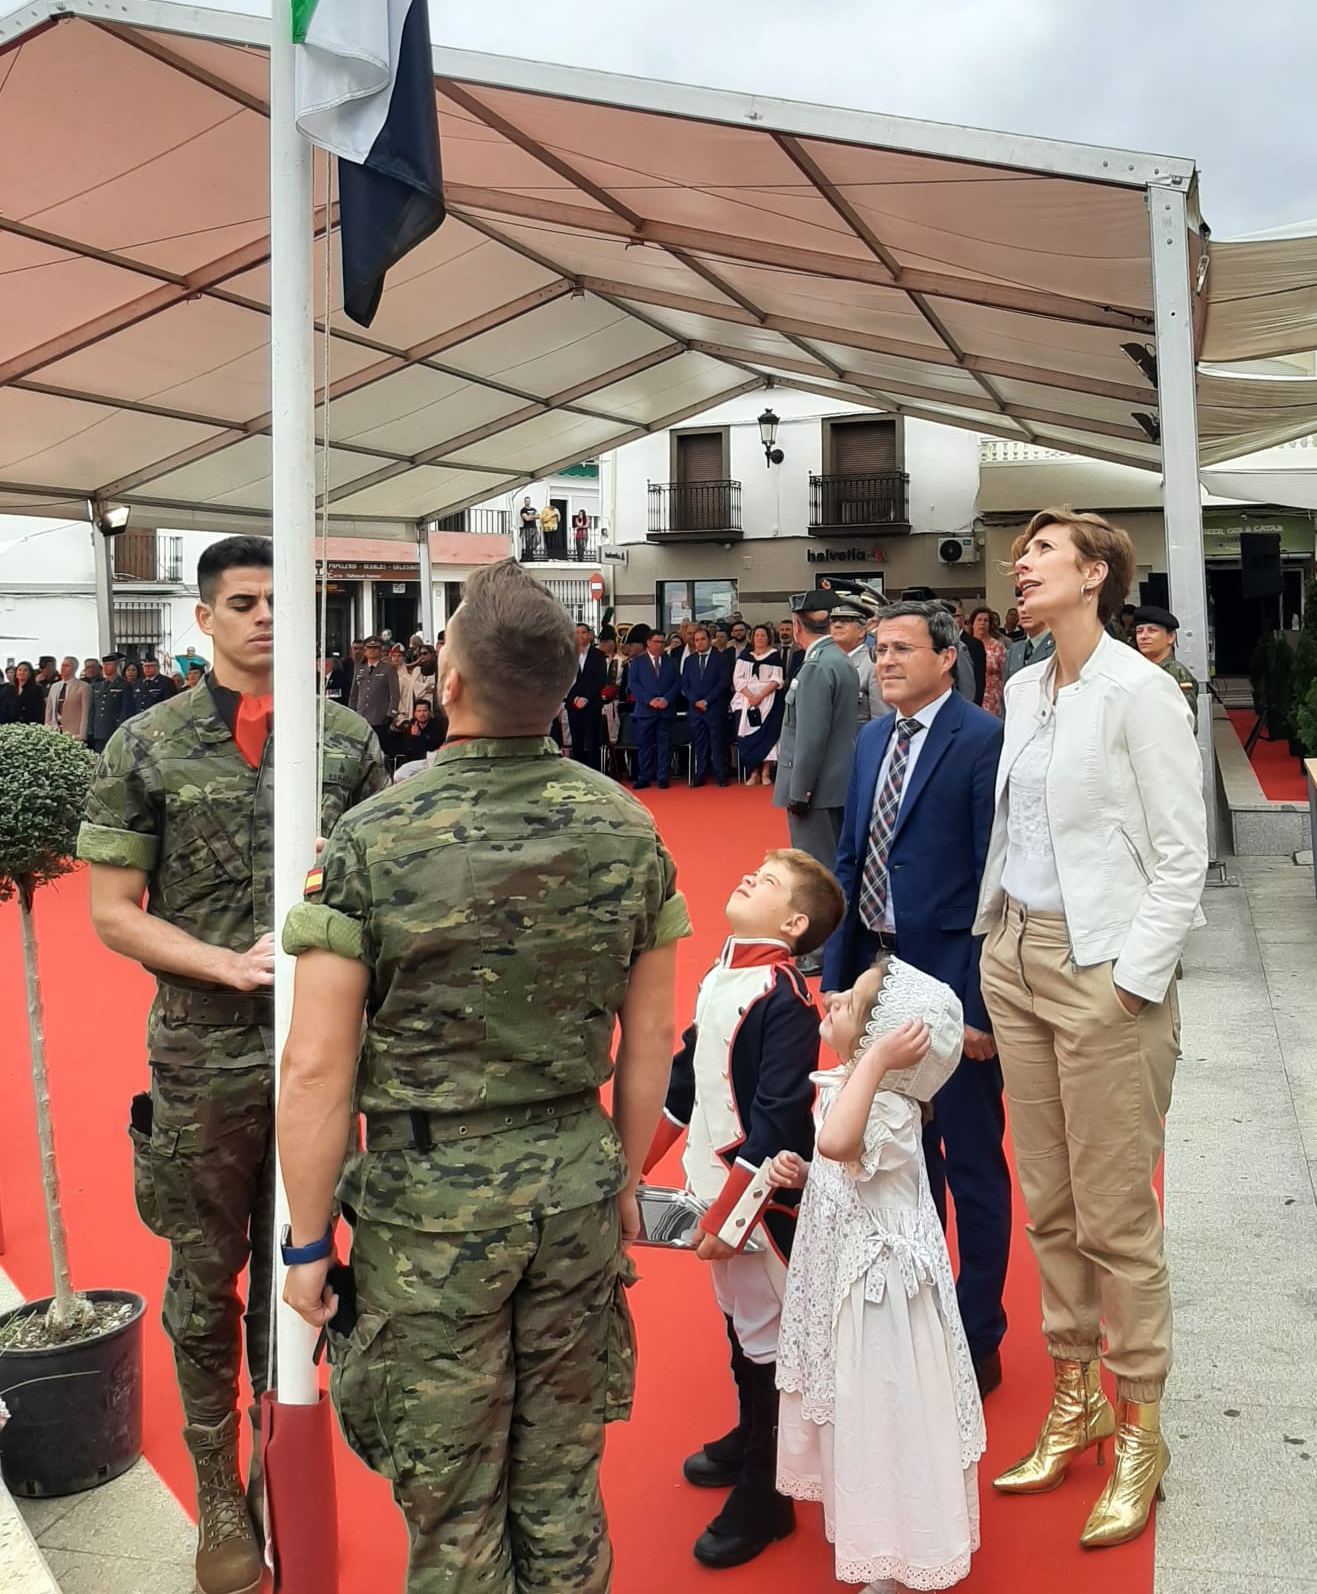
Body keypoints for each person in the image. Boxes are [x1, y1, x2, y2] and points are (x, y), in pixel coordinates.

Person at [277, 559, 690, 1593]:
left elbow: (316, 1066)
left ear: (449, 683)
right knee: (560, 1485)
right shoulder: (626, 828)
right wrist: (624, 1178)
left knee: (454, 1505)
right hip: (577, 1187)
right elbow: (650, 1044)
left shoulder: (374, 837)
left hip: (430, 1210)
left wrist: (306, 1239)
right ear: (558, 692)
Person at [79, 535, 386, 1594]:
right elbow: (113, 914)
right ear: (203, 619)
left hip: (320, 1056)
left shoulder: (347, 744)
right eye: (243, 602)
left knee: (298, 1260)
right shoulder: (146, 746)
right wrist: (226, 964)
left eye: (280, 602)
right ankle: (218, 1491)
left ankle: (278, 1457)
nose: (265, 618)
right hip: (204, 1054)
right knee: (205, 1273)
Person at [976, 507, 1205, 1551]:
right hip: (1015, 957)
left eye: (1041, 556)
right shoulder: (1025, 686)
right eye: (1020, 557)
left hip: (1100, 966)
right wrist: (994, 946)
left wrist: (1130, 983)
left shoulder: (1142, 692)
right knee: (1050, 1200)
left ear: (1096, 575)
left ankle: (1143, 1426)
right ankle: (1077, 1395)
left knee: (1117, 1213)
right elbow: (1017, 826)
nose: (1020, 569)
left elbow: (1180, 855)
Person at [826, 599, 1009, 1394]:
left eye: (902, 648)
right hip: (876, 971)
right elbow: (849, 855)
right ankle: (917, 1314)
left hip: (946, 980)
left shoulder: (981, 740)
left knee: (970, 1158)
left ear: (947, 659)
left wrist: (973, 1007)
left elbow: (989, 877)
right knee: (901, 1158)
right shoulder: (871, 738)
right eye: (880, 647)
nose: (886, 659)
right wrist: (838, 973)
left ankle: (979, 1333)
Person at [643, 850, 844, 1569]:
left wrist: (731, 1219)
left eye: (768, 882)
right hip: (720, 1192)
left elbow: (780, 1116)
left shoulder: (786, 997)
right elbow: (684, 1087)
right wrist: (630, 1161)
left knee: (767, 1335)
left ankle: (770, 1484)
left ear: (793, 924)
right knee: (741, 1322)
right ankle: (752, 1433)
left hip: (760, 1207)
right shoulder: (726, 972)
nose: (748, 878)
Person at [775, 957, 986, 1593]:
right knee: (856, 1409)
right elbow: (846, 1172)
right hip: (853, 1279)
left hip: (881, 1299)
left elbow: (843, 1145)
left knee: (882, 1412)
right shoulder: (855, 1086)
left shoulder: (886, 1105)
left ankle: (900, 1552)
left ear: (883, 1048)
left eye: (853, 1002)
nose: (832, 996)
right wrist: (809, 1177)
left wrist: (873, 1064)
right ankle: (875, 1529)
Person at [773, 591, 860, 874]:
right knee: (836, 862)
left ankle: (832, 920)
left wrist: (800, 792)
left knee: (817, 871)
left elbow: (810, 738)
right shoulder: (840, 659)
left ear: (797, 626)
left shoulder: (815, 666)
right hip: (837, 782)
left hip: (816, 789)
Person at [733, 624, 786, 786]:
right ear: (752, 637)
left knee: (767, 735)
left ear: (769, 638)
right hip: (746, 701)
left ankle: (765, 772)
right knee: (748, 737)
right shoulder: (744, 656)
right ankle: (753, 772)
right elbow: (737, 679)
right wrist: (750, 696)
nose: (760, 638)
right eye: (757, 635)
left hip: (768, 700)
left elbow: (777, 679)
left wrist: (760, 696)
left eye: (763, 635)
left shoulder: (774, 656)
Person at [627, 628, 679, 789]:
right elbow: (633, 685)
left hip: (665, 709)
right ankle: (644, 776)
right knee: (644, 745)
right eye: (656, 642)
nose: (660, 645)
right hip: (645, 710)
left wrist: (666, 699)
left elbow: (677, 683)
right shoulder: (637, 662)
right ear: (648, 643)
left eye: (662, 642)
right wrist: (649, 700)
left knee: (664, 744)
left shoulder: (671, 662)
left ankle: (662, 775)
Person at [681, 623, 733, 788]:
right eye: (697, 640)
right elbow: (685, 683)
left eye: (703, 639)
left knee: (717, 741)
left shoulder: (721, 658)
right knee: (699, 742)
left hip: (714, 707)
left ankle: (720, 774)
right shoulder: (689, 660)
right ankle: (700, 774)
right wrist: (695, 701)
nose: (700, 643)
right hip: (695, 708)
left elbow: (723, 682)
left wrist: (707, 701)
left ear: (710, 640)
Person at [830, 597, 889, 726]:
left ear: (862, 631)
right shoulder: (828, 664)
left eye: (845, 621)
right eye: (833, 621)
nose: (837, 625)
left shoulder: (872, 666)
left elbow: (882, 722)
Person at [1132, 606, 1198, 718]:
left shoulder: (1177, 673)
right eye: (1139, 631)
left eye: (1152, 631)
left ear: (1171, 637)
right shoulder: (1137, 669)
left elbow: (1186, 721)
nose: (1143, 636)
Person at [567, 622, 609, 767]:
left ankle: (595, 773)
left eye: (583, 632)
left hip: (592, 703)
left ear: (590, 635)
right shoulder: (568, 655)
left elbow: (600, 680)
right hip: (573, 703)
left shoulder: (598, 655)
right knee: (576, 740)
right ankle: (579, 772)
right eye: (576, 633)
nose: (580, 636)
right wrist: (576, 698)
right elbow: (565, 679)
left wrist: (586, 697)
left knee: (592, 741)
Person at [351, 637, 400, 739]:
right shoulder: (359, 669)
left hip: (380, 717)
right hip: (362, 716)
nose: (372, 650)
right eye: (369, 648)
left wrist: (391, 714)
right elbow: (354, 694)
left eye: (376, 648)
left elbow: (395, 695)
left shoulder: (388, 669)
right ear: (365, 650)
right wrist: (352, 712)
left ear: (381, 650)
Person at [87, 653, 129, 752]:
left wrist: (122, 728)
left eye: (109, 664)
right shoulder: (97, 686)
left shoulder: (124, 685)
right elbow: (93, 710)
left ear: (116, 665)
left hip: (114, 729)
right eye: (104, 664)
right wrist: (90, 730)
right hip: (99, 731)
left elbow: (126, 710)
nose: (106, 667)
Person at [971, 610, 1007, 718]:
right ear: (972, 624)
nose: (982, 623)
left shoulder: (998, 646)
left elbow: (1004, 674)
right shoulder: (966, 646)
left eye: (986, 620)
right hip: (972, 696)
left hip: (993, 699)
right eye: (979, 620)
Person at [955, 603, 987, 709]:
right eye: (950, 615)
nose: (953, 619)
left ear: (963, 618)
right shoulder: (940, 642)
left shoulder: (974, 644)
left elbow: (979, 678)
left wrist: (975, 705)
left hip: (969, 701)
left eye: (956, 616)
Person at [0, 659, 45, 725]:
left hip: (28, 724)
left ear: (30, 674)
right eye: (19, 670)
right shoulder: (8, 688)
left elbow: (39, 710)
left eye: (25, 670)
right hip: (9, 724)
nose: (22, 672)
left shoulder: (37, 689)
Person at [44, 655, 80, 730]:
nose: (63, 668)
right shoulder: (54, 686)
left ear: (74, 668)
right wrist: (47, 727)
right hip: (55, 727)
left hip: (73, 728)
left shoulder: (81, 687)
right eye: (62, 665)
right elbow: (49, 709)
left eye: (67, 666)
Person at [517, 495, 540, 561]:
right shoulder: (523, 510)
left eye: (529, 501)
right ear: (524, 502)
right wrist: (533, 516)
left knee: (537, 541)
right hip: (527, 528)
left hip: (534, 528)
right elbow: (526, 518)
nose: (528, 502)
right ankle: (529, 556)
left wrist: (530, 516)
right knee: (528, 542)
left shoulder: (534, 509)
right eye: (527, 501)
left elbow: (538, 516)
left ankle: (530, 554)